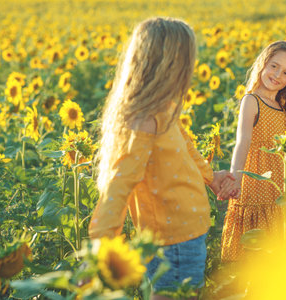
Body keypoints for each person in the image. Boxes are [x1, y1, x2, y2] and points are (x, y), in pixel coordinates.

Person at [88, 17, 236, 299]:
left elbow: (187, 148)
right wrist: (100, 245)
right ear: (169, 65)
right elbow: (120, 183)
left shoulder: (163, 109)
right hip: (173, 240)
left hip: (188, 234)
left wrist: (211, 178)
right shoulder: (144, 120)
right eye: (187, 63)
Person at [219, 41, 286, 262]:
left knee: (272, 250)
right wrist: (235, 178)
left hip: (276, 187)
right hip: (253, 183)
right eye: (274, 66)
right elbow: (243, 141)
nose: (277, 75)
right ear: (263, 63)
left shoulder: (284, 109)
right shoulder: (252, 101)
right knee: (249, 250)